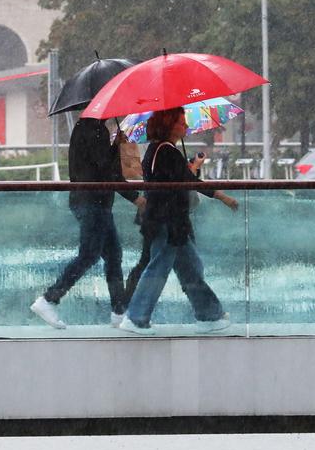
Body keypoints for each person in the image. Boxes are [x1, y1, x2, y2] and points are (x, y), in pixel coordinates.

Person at [119, 107, 238, 333]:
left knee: (190, 269)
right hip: (168, 222)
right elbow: (186, 182)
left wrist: (187, 169)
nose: (186, 126)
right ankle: (135, 318)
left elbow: (181, 179)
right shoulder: (165, 151)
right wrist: (221, 196)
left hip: (169, 222)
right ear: (169, 125)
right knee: (158, 269)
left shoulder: (158, 150)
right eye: (181, 122)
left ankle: (209, 316)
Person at [30, 116, 144, 328]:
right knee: (90, 254)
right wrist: (136, 198)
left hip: (92, 202)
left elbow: (100, 167)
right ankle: (49, 299)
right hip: (93, 202)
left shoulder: (88, 128)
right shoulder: (95, 130)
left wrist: (114, 146)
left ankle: (119, 311)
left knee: (113, 255)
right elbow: (107, 173)